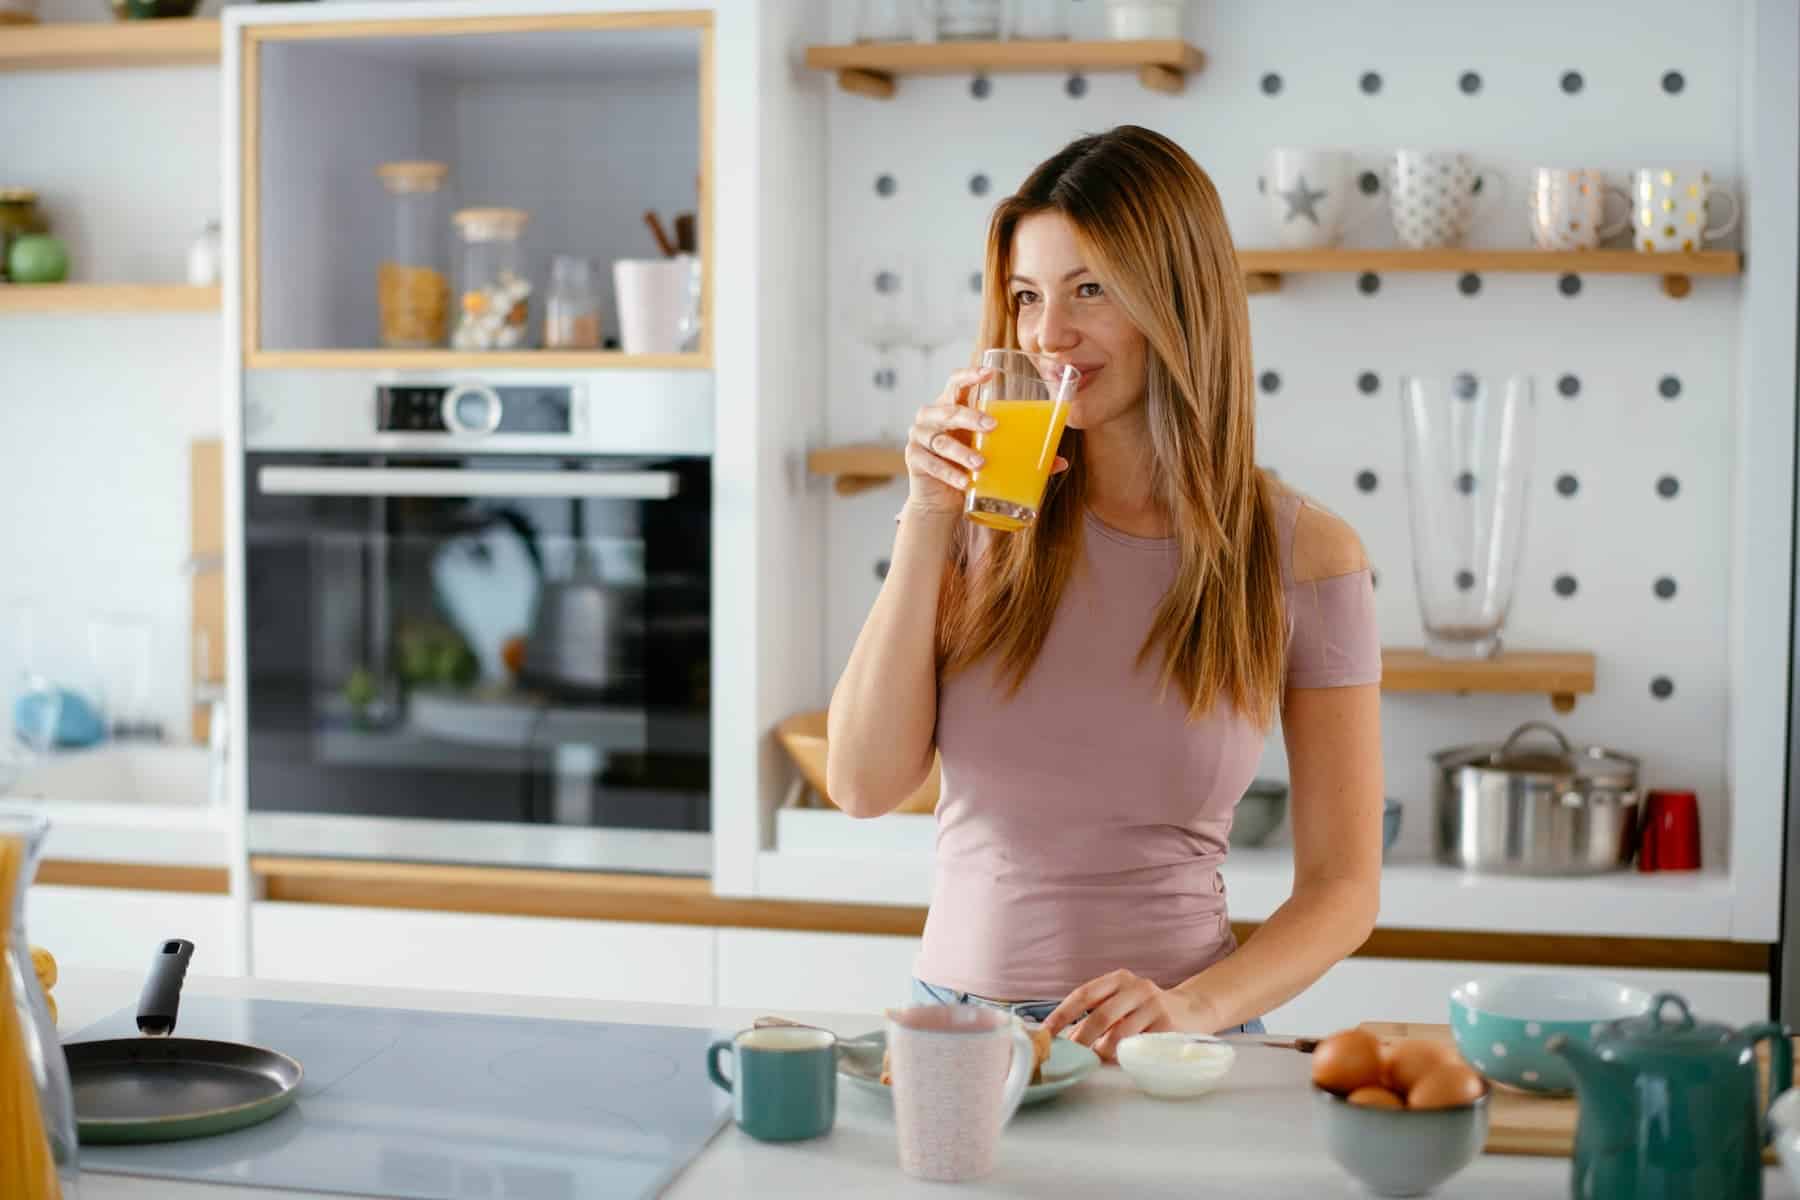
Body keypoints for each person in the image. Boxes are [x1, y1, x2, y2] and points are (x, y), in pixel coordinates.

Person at [826, 125, 1384, 1059]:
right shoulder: (980, 512)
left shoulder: (1303, 552)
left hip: (1169, 1045)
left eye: (1090, 290)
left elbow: (1343, 889)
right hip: (957, 1036)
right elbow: (861, 783)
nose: (1049, 335)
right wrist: (926, 514)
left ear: (1178, 297)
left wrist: (1195, 1010)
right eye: (1027, 296)